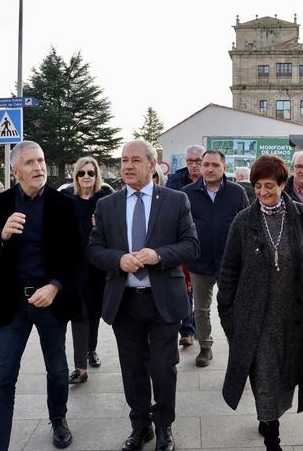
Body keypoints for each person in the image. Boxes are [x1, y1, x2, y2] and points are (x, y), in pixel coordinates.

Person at [87, 140, 199, 451]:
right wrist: (118, 260)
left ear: (152, 165)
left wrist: (158, 255)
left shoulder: (176, 201)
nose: (127, 166)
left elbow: (192, 245)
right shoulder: (107, 205)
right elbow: (94, 249)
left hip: (163, 300)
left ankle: (164, 426)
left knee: (163, 368)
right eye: (123, 160)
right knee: (132, 368)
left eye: (135, 160)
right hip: (125, 301)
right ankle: (140, 427)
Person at [0, 141, 80, 450]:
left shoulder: (63, 204)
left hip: (49, 301)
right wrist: (1, 235)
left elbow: (76, 255)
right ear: (15, 170)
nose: (39, 167)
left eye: (41, 161)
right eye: (30, 163)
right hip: (11, 303)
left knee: (58, 371)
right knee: (2, 379)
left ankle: (58, 419)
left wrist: (55, 285)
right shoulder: (0, 205)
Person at [217, 155, 303, 450]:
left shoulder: (299, 216)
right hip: (255, 317)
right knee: (265, 373)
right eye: (257, 186)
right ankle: (273, 439)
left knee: (284, 375)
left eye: (269, 186)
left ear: (284, 184)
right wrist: (228, 313)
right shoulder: (244, 221)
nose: (262, 192)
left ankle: (267, 414)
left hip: (293, 316)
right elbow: (229, 270)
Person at [182, 150, 248, 367]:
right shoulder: (187, 194)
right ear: (200, 167)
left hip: (230, 262)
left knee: (234, 307)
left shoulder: (237, 193)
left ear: (224, 168)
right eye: (206, 165)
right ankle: (205, 347)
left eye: (215, 165)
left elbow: (248, 226)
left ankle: (238, 350)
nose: (210, 169)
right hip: (199, 262)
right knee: (200, 308)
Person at [63, 157, 113, 385]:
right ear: (75, 176)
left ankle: (90, 350)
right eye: (81, 173)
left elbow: (116, 231)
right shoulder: (67, 200)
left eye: (90, 173)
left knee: (94, 312)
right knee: (79, 312)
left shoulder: (105, 200)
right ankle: (80, 367)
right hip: (75, 266)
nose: (86, 177)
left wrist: (101, 226)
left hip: (99, 266)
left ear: (96, 176)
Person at [165, 144, 204, 347]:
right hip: (182, 240)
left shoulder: (211, 179)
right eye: (190, 161)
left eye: (198, 161)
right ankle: (187, 329)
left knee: (200, 290)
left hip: (205, 241)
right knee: (186, 286)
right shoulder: (175, 180)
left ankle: (198, 329)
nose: (194, 166)